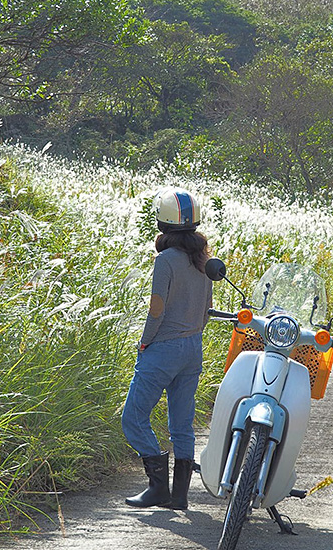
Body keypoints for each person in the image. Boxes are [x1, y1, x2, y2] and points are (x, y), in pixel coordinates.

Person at [121, 188, 213, 511]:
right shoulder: (205, 261)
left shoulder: (165, 261)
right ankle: (179, 497)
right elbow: (206, 311)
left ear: (163, 222)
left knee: (133, 418)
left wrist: (145, 341)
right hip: (193, 347)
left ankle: (157, 486)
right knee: (181, 425)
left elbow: (156, 310)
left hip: (164, 348)